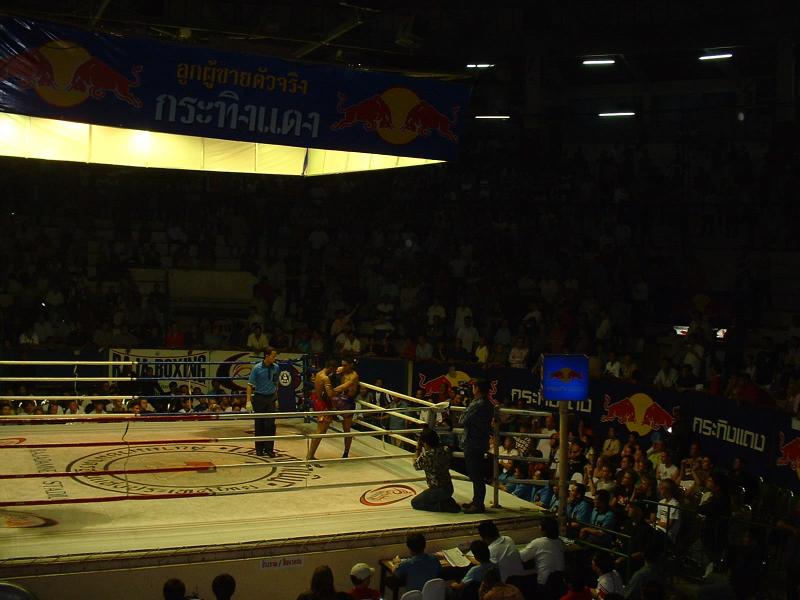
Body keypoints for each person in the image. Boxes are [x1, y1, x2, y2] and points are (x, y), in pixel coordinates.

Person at [460, 380, 494, 513]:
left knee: (476, 475)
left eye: (473, 387)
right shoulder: (489, 404)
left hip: (473, 442)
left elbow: (463, 420)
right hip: (480, 442)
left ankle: (478, 504)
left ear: (477, 388)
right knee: (476, 474)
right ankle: (476, 501)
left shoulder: (478, 404)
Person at [411, 428, 460, 512]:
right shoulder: (445, 449)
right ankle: (445, 501)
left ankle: (442, 506)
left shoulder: (428, 456)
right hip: (448, 487)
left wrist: (418, 449)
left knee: (415, 503)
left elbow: (415, 465)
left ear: (425, 443)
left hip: (437, 490)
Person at [246, 347, 280, 457]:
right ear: (267, 356)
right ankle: (259, 449)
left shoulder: (276, 368)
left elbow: (276, 383)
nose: (275, 358)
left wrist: (276, 398)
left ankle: (269, 449)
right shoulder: (257, 368)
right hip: (259, 398)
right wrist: (248, 401)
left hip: (271, 398)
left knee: (270, 425)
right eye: (273, 356)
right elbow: (250, 385)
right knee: (259, 424)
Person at [519, 516, 566, 588]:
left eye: (540, 525)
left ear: (543, 529)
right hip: (559, 581)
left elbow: (522, 557)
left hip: (545, 583)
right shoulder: (560, 542)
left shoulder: (538, 542)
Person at [306, 359, 338, 463]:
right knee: (320, 431)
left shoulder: (319, 374)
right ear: (330, 368)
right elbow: (330, 394)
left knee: (321, 431)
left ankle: (310, 454)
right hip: (323, 405)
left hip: (318, 402)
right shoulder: (325, 378)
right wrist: (338, 390)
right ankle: (310, 455)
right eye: (333, 369)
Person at [332, 356, 359, 458]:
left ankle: (346, 451)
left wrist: (332, 391)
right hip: (340, 399)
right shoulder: (341, 371)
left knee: (346, 429)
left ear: (351, 365)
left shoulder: (354, 376)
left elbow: (345, 386)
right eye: (342, 364)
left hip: (348, 401)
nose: (343, 367)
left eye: (345, 365)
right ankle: (336, 415)